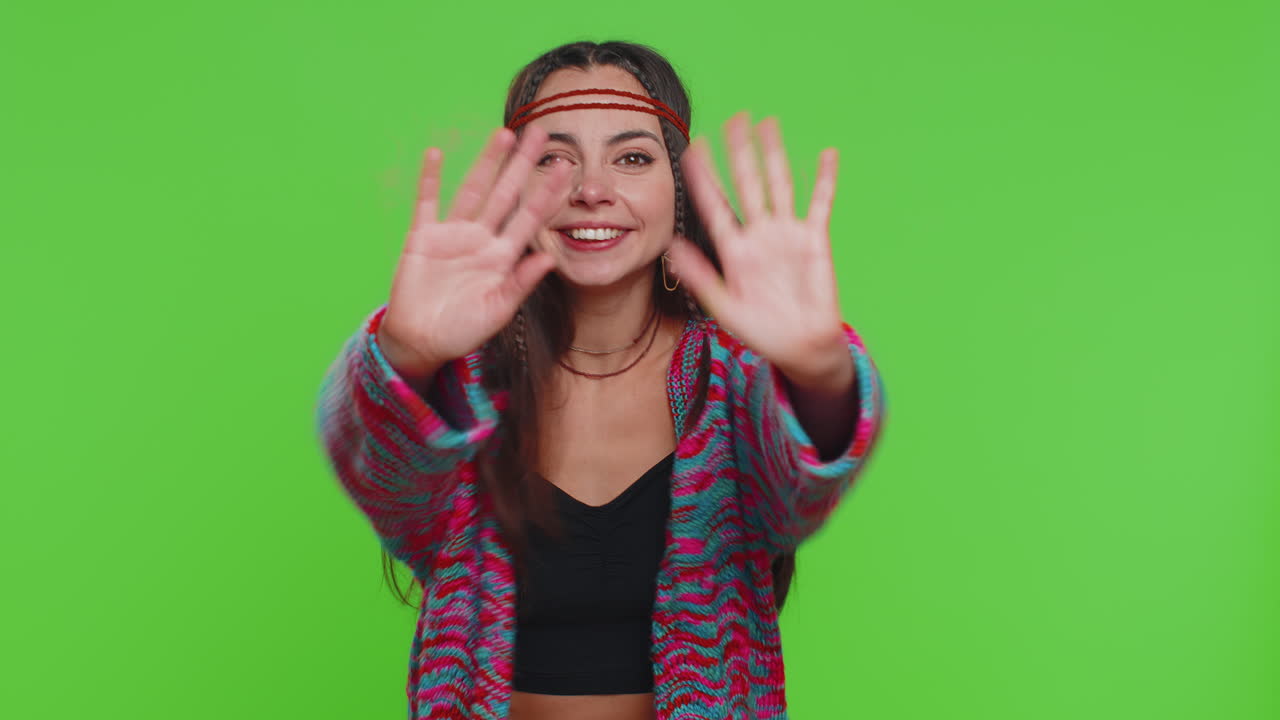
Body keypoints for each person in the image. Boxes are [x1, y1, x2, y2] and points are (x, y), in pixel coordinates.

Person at [315, 40, 887, 720]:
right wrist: (405, 354)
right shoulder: (464, 381)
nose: (591, 190)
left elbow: (798, 492)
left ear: (677, 188)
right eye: (555, 158)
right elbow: (383, 480)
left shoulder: (732, 379)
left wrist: (818, 372)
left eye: (633, 157)